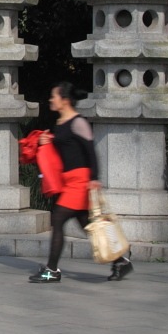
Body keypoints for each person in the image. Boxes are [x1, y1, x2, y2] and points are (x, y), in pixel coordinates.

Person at [28, 81, 133, 283]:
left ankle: (52, 270)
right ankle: (121, 261)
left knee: (57, 218)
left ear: (64, 100)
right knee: (86, 224)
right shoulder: (60, 123)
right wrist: (46, 141)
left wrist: (94, 178)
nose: (51, 100)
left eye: (54, 96)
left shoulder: (78, 122)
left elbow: (90, 151)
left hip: (80, 180)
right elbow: (64, 149)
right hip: (68, 180)